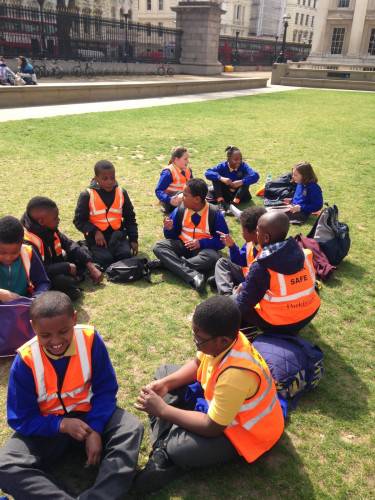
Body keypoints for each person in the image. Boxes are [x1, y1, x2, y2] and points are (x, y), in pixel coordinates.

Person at [0, 291, 144, 499]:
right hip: (48, 429)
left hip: (89, 416)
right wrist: (61, 425)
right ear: (33, 327)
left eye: (63, 331)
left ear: (74, 319)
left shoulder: (90, 340)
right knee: (5, 465)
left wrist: (95, 428)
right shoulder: (25, 360)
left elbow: (105, 389)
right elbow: (20, 418)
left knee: (130, 428)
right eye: (46, 335)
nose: (56, 341)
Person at [134, 296, 284, 494]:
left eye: (199, 339)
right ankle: (163, 449)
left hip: (242, 432)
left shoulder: (236, 376)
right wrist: (165, 384)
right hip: (220, 407)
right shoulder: (227, 340)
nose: (195, 342)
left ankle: (167, 451)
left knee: (179, 448)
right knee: (164, 374)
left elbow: (211, 427)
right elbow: (198, 363)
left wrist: (162, 410)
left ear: (222, 341)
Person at [234, 211, 321, 334]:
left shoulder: (261, 265)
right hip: (309, 313)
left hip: (279, 323)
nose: (256, 233)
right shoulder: (304, 253)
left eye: (258, 231)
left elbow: (244, 303)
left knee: (234, 301)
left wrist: (231, 302)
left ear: (266, 238)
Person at [153, 178, 229, 292]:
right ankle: (193, 275)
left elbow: (222, 241)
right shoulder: (181, 209)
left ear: (197, 199)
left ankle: (168, 264)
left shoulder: (214, 213)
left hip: (202, 251)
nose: (181, 197)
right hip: (182, 245)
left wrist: (201, 243)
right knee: (158, 246)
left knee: (213, 257)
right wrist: (169, 229)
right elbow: (171, 236)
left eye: (184, 195)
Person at [21, 196, 103, 301]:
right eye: (55, 218)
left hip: (55, 263)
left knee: (82, 250)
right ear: (41, 221)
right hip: (41, 276)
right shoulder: (28, 241)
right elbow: (39, 271)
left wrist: (91, 266)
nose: (59, 220)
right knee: (64, 283)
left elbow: (68, 244)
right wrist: (65, 266)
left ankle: (81, 274)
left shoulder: (46, 226)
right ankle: (75, 279)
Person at [74, 160, 138, 270]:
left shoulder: (121, 192)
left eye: (112, 178)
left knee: (125, 256)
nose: (110, 182)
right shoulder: (86, 195)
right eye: (105, 179)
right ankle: (85, 246)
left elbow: (130, 218)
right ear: (96, 178)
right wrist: (95, 231)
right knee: (105, 260)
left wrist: (133, 239)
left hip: (117, 235)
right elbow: (79, 221)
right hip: (97, 237)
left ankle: (118, 247)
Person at [0, 216, 50, 356]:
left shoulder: (28, 252)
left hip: (22, 307)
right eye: (2, 253)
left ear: (21, 244)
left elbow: (43, 282)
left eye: (14, 253)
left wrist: (37, 298)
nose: (8, 257)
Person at [211, 206, 267, 294]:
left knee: (220, 278)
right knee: (222, 262)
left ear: (254, 232)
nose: (241, 232)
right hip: (247, 275)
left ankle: (227, 296)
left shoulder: (267, 252)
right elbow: (241, 260)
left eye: (243, 229)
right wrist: (232, 246)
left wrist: (243, 285)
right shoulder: (251, 242)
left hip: (254, 283)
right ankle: (227, 291)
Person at [205, 146, 259, 213]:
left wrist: (241, 182)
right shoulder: (222, 166)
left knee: (247, 180)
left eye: (240, 159)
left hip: (240, 195)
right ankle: (221, 202)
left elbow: (256, 175)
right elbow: (207, 172)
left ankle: (234, 204)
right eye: (235, 159)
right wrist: (221, 178)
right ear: (228, 159)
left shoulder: (243, 166)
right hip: (224, 193)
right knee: (215, 178)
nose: (238, 162)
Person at [155, 146, 192, 213]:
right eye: (185, 159)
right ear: (176, 159)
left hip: (186, 198)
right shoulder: (168, 172)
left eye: (188, 158)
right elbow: (158, 191)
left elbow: (193, 185)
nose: (188, 161)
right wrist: (169, 200)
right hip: (172, 202)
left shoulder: (188, 170)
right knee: (182, 195)